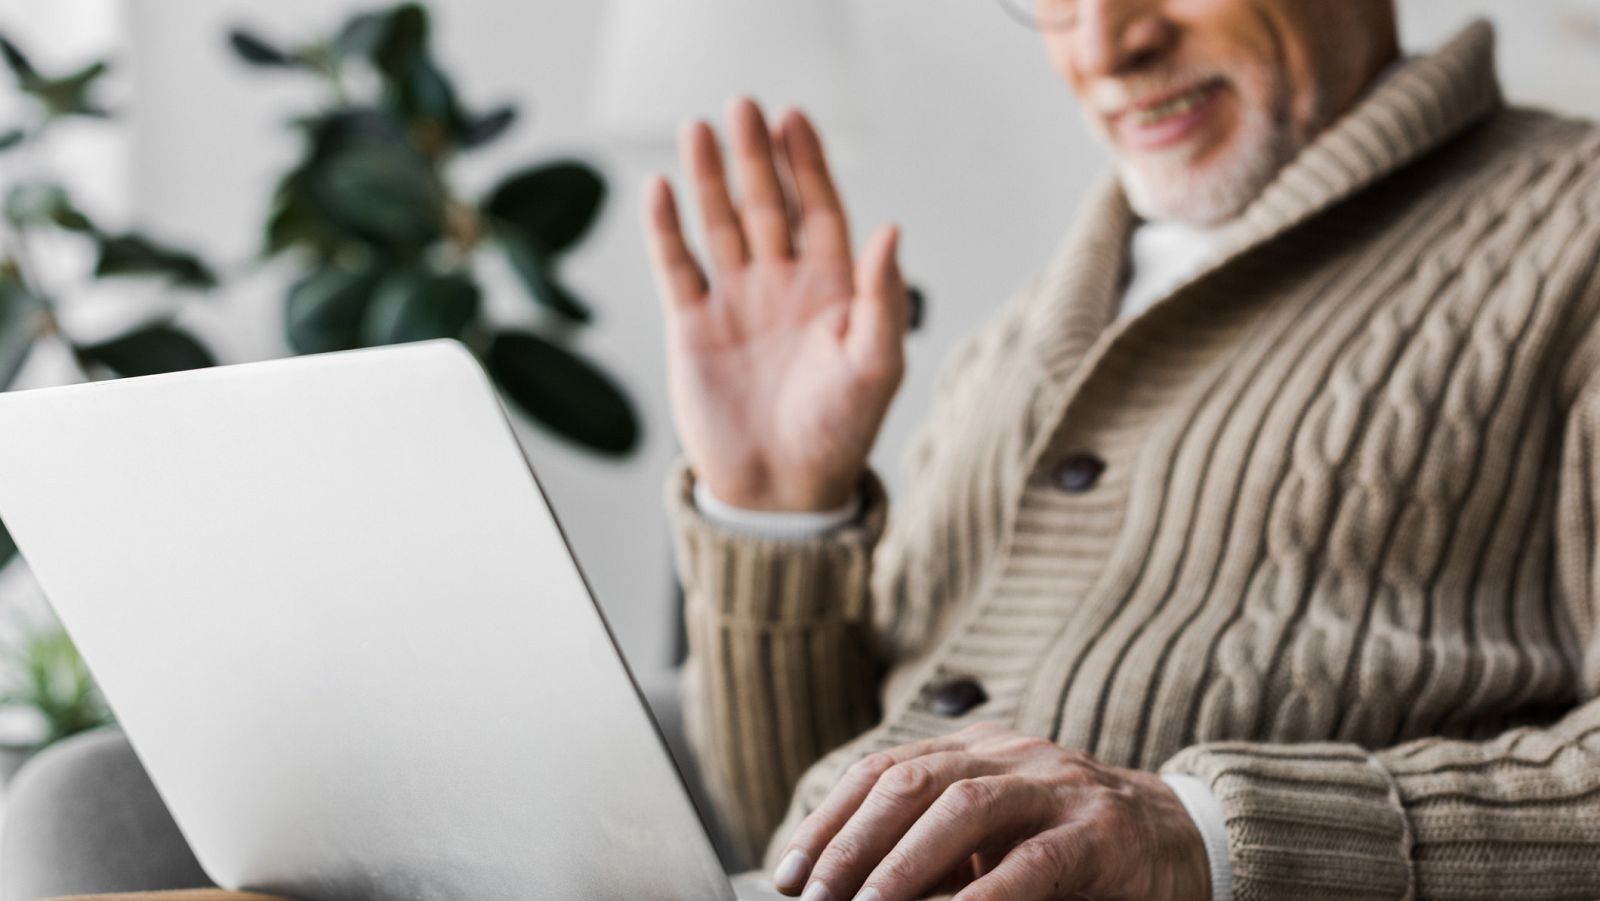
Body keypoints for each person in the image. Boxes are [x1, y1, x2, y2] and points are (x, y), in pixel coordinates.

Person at [642, 0, 1600, 898]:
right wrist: (776, 509)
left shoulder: (1575, 228)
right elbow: (794, 832)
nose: (1101, 46)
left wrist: (1206, 835)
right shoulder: (1012, 344)